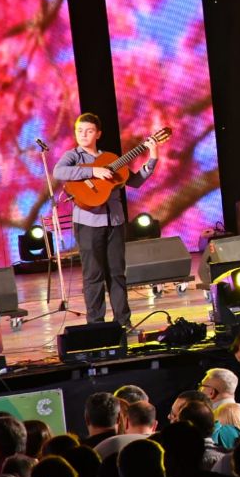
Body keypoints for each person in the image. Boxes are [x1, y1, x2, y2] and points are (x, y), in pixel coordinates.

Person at [52, 112, 160, 328]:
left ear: (98, 134)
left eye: (89, 131)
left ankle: (123, 322)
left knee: (117, 274)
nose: (83, 135)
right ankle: (96, 325)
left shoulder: (110, 158)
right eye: (79, 131)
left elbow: (134, 181)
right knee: (93, 275)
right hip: (88, 223)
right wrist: (94, 171)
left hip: (115, 222)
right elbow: (59, 172)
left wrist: (153, 157)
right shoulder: (73, 156)